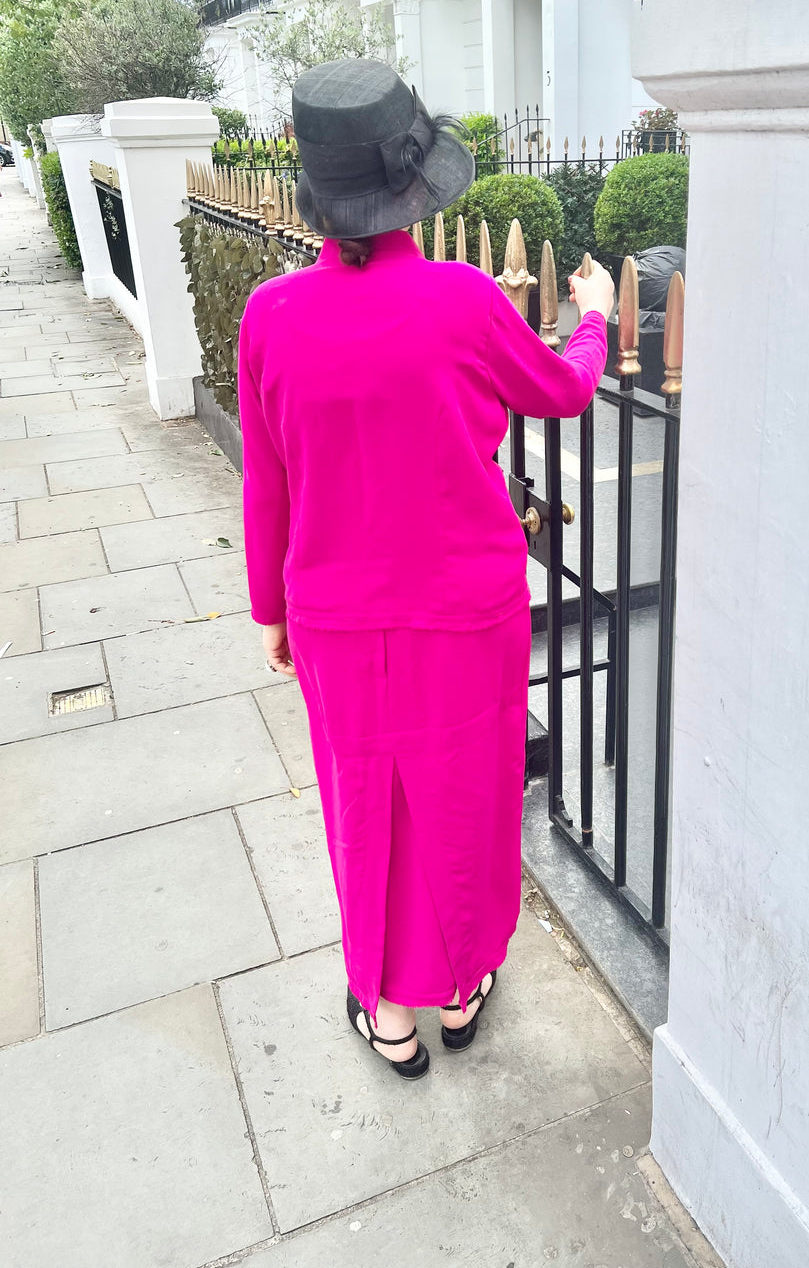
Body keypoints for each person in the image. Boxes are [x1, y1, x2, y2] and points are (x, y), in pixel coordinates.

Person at [238, 59, 613, 1079]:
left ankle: (386, 1012)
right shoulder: (463, 300)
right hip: (466, 607)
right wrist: (595, 316)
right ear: (414, 187)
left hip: (334, 615)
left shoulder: (269, 316)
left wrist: (270, 607)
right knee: (467, 792)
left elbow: (266, 483)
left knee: (362, 798)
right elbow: (563, 392)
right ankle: (457, 989)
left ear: (318, 196)